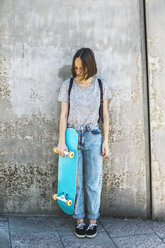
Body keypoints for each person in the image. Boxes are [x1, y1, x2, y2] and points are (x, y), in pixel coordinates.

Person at [57, 48, 112, 238]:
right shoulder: (68, 85)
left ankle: (93, 221)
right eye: (76, 68)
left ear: (90, 66)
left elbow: (104, 115)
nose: (78, 71)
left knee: (93, 182)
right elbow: (63, 114)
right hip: (72, 135)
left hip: (93, 135)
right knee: (75, 182)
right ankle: (79, 220)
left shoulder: (101, 85)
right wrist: (61, 141)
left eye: (82, 68)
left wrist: (106, 141)